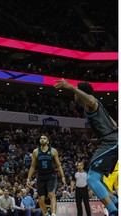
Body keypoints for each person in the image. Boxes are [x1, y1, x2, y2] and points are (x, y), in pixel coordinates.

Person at [54, 79, 118, 215]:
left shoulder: (91, 103)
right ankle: (115, 202)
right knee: (98, 178)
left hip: (110, 142)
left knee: (91, 178)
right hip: (110, 140)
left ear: (80, 94)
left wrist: (71, 87)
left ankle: (112, 211)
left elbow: (90, 99)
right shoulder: (94, 107)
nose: (75, 96)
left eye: (77, 93)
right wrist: (97, 139)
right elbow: (114, 125)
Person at [27, 135, 66, 216]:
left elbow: (58, 165)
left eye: (44, 138)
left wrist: (63, 177)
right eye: (41, 138)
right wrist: (28, 179)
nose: (42, 139)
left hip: (51, 175)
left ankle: (53, 214)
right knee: (41, 199)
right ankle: (46, 214)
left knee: (52, 194)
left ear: (48, 142)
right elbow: (33, 166)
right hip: (41, 176)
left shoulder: (53, 151)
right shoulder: (35, 151)